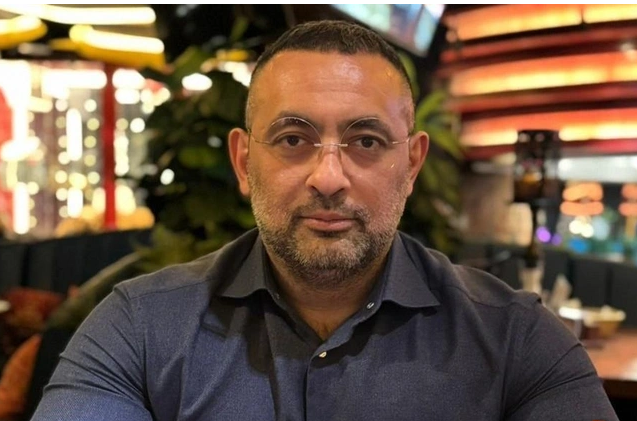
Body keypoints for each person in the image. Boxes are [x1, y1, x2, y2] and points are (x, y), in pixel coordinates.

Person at [31, 20, 617, 421]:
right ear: (243, 162)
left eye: (366, 141)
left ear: (411, 165)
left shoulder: (518, 341)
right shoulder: (139, 328)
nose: (329, 177)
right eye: (293, 139)